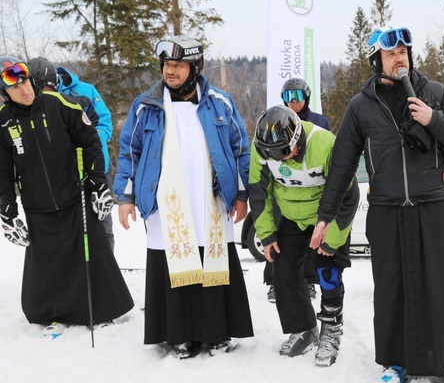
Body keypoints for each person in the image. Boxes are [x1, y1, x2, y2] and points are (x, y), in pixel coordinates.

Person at [311, 25, 444, 383]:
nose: (400, 57)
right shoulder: (360, 106)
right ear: (376, 60)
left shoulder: (434, 92)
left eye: (404, 51)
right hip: (386, 208)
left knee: (442, 283)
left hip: (433, 203)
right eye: (391, 53)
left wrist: (433, 119)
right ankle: (395, 362)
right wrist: (325, 217)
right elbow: (341, 167)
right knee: (390, 286)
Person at [114, 35, 254, 359]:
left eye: (178, 65)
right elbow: (129, 153)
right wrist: (125, 197)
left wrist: (242, 194)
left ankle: (216, 334)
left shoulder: (220, 102)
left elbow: (239, 150)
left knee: (211, 265)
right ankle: (180, 336)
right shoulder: (146, 106)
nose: (170, 71)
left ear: (194, 68)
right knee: (172, 266)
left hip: (211, 201)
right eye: (166, 65)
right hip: (168, 205)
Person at [0, 56, 133, 338]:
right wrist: (7, 213)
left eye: (24, 81)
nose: (24, 89)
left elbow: (91, 143)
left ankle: (100, 311)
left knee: (89, 255)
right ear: (4, 93)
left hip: (75, 197)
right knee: (50, 265)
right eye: (15, 87)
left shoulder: (60, 105)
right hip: (37, 206)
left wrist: (99, 185)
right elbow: (3, 172)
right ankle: (55, 315)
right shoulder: (4, 123)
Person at [249, 105, 358, 367]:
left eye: (285, 152)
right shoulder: (261, 149)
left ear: (297, 138)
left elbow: (349, 196)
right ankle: (304, 329)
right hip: (292, 217)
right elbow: (259, 192)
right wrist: (266, 234)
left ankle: (331, 329)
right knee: (282, 270)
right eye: (273, 155)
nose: (281, 159)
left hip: (327, 218)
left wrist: (333, 241)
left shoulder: (326, 145)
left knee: (327, 270)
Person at [27, 58, 117, 251]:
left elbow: (104, 123)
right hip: (63, 173)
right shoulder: (34, 99)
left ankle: (105, 268)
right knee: (72, 223)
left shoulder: (84, 92)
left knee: (101, 220)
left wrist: (89, 142)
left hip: (95, 166)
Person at [262, 77, 332, 303]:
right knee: (280, 236)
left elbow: (329, 152)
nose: (293, 103)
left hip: (312, 187)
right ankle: (274, 281)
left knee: (312, 239)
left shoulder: (319, 122)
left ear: (307, 96)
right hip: (285, 187)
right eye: (288, 98)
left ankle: (309, 280)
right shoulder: (275, 121)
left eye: (298, 97)